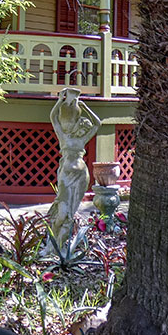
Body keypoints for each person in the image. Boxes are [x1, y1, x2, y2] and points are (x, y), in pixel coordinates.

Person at [44, 87, 101, 251]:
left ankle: (60, 247)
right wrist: (59, 101)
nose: (83, 130)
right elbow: (53, 117)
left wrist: (85, 108)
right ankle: (51, 245)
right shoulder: (64, 136)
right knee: (61, 213)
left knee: (69, 216)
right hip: (66, 176)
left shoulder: (82, 138)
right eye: (82, 127)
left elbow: (97, 123)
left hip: (82, 176)